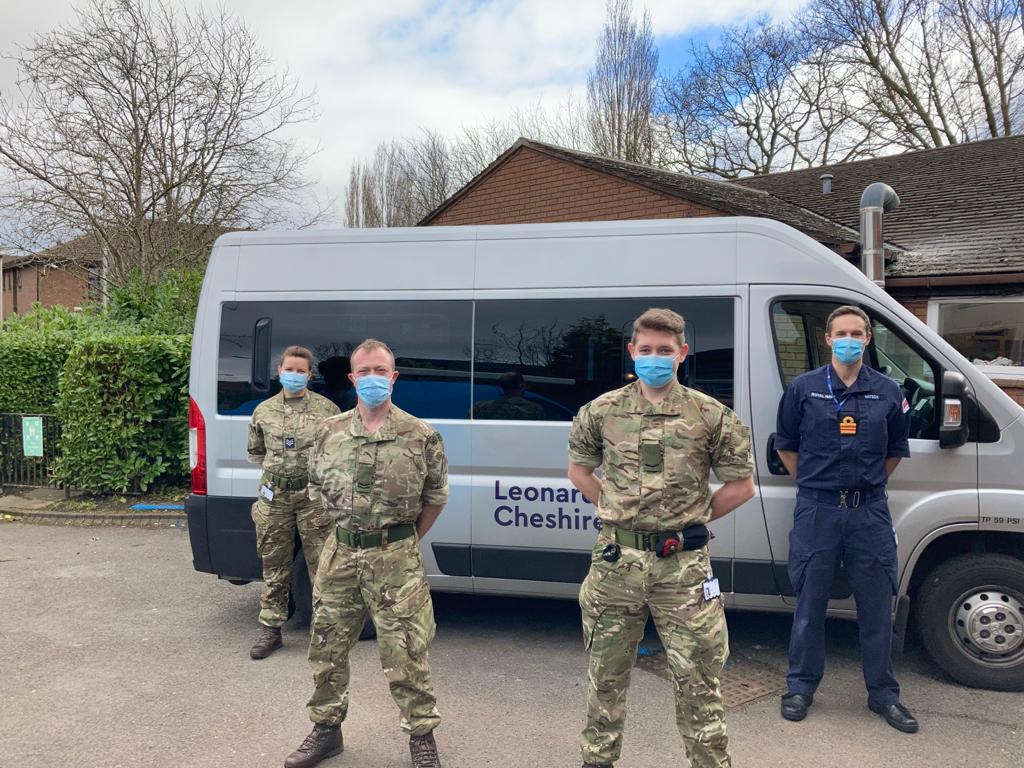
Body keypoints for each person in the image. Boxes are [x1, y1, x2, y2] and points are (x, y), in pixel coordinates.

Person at [567, 308, 755, 768]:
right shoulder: (601, 411)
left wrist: (692, 518)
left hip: (683, 568)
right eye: (647, 349)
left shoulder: (711, 415)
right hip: (617, 563)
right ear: (632, 352)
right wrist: (616, 509)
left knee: (699, 680)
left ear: (682, 353)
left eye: (665, 350)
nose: (655, 357)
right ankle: (597, 760)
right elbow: (579, 472)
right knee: (605, 677)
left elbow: (742, 485)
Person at [284, 338, 449, 768]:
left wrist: (402, 540)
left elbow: (434, 498)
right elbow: (316, 490)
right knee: (326, 647)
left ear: (393, 378)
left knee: (406, 651)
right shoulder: (329, 433)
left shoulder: (421, 436)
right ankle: (326, 730)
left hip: (396, 559)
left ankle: (421, 736)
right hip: (340, 554)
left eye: (380, 371)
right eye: (364, 371)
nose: (372, 378)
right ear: (352, 378)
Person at [774, 305, 918, 733]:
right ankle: (800, 687)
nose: (849, 340)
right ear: (828, 339)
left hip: (868, 512)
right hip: (817, 510)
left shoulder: (888, 392)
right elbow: (785, 444)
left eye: (857, 333)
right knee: (809, 604)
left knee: (876, 606)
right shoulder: (803, 388)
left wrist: (864, 487)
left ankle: (884, 694)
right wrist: (816, 485)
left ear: (868, 339)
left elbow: (896, 451)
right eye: (842, 333)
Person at [247, 345, 341, 660]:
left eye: (301, 371)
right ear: (279, 372)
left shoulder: (327, 410)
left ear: (310, 375)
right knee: (274, 564)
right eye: (289, 369)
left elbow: (336, 453)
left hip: (312, 496)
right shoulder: (263, 411)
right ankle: (271, 630)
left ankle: (326, 632)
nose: (294, 375)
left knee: (323, 565)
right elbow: (257, 453)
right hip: (275, 497)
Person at [472, 371, 545, 420]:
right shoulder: (535, 410)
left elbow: (468, 430)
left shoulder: (478, 407)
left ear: (501, 386)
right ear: (522, 386)